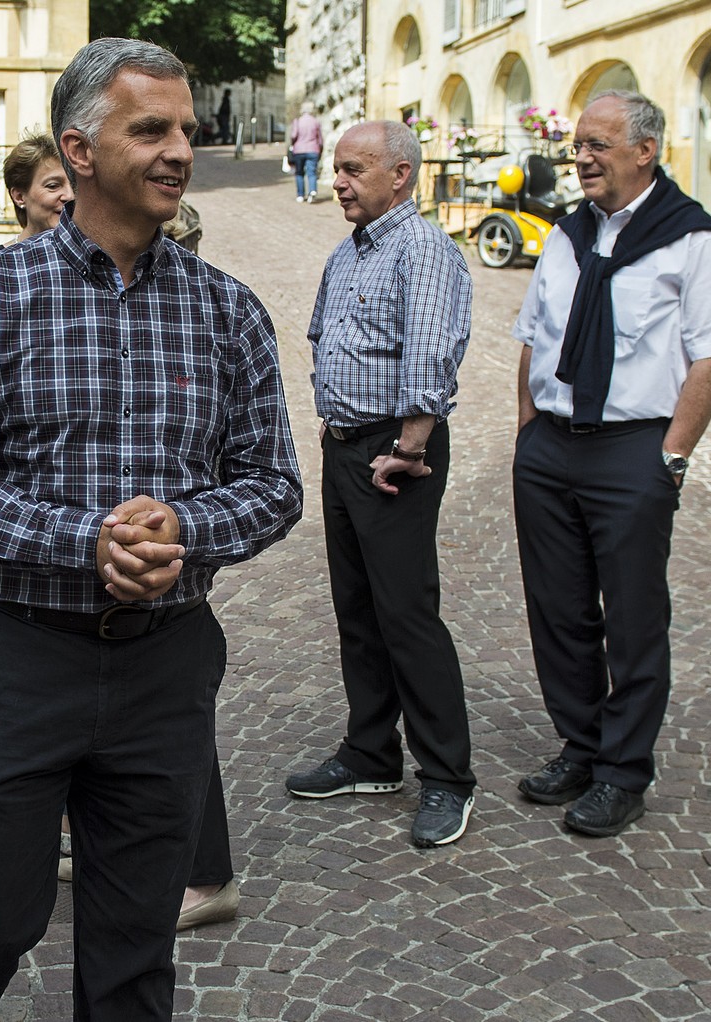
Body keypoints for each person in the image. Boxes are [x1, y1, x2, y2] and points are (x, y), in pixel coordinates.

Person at [0, 37, 303, 1022]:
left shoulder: (229, 310)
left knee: (133, 948)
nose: (178, 151)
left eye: (186, 132)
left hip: (163, 667)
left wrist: (185, 525)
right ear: (76, 149)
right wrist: (83, 541)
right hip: (14, 656)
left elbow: (275, 484)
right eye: (150, 129)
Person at [512, 91, 711, 837]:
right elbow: (532, 338)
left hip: (632, 449)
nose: (581, 157)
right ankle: (581, 746)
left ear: (645, 150)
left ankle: (623, 772)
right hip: (551, 445)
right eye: (578, 144)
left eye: (598, 144)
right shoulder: (564, 235)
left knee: (634, 619)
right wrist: (527, 435)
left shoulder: (696, 242)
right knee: (559, 610)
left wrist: (669, 460)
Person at [284, 120, 478, 849]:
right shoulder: (350, 252)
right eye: (336, 168)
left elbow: (432, 354)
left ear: (400, 175)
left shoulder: (421, 249)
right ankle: (371, 754)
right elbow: (324, 340)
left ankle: (448, 779)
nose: (338, 181)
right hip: (348, 448)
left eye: (353, 169)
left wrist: (411, 443)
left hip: (397, 452)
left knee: (406, 613)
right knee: (358, 609)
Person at [0, 133, 72, 267]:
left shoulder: (95, 262)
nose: (70, 196)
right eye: (53, 186)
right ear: (19, 197)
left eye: (75, 185)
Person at [289, 102, 325, 202]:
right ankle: (312, 191)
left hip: (299, 150)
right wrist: (320, 149)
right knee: (312, 172)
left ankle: (300, 195)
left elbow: (293, 135)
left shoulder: (298, 121)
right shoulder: (315, 122)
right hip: (313, 149)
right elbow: (320, 139)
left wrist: (292, 144)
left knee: (299, 172)